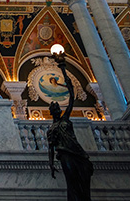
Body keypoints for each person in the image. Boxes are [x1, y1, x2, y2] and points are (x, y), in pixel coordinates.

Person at [47, 65, 93, 201]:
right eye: (54, 108)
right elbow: (50, 147)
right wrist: (51, 164)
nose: (56, 109)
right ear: (51, 112)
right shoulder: (51, 129)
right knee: (72, 182)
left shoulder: (65, 118)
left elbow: (72, 99)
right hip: (65, 153)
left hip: (78, 152)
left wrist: (62, 69)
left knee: (83, 182)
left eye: (56, 107)